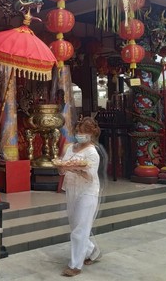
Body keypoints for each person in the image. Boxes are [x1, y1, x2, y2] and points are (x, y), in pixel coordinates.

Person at [57, 116, 102, 277]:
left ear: (91, 134)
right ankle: (92, 250)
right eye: (78, 132)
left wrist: (74, 168)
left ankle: (75, 265)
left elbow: (89, 176)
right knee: (76, 226)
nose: (79, 135)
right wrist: (62, 168)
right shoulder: (70, 148)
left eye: (83, 133)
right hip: (72, 189)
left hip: (88, 191)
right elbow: (63, 166)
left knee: (80, 230)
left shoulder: (92, 152)